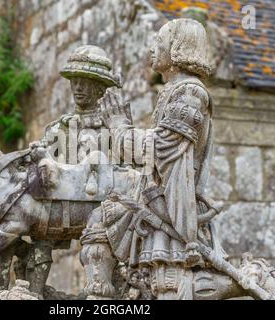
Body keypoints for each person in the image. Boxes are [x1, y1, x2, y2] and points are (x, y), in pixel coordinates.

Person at [81, 18, 229, 300]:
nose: (152, 49)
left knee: (166, 287)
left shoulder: (191, 92)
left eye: (159, 43)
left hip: (171, 212)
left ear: (177, 49)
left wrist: (119, 127)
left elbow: (161, 148)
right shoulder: (174, 91)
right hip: (156, 203)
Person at [3, 45, 122, 297]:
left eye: (85, 83)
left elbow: (121, 169)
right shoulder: (58, 128)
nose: (78, 88)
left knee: (105, 245)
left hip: (99, 207)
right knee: (37, 231)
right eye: (74, 82)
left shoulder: (113, 129)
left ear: (100, 88)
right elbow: (39, 171)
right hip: (58, 207)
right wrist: (40, 155)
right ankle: (33, 292)